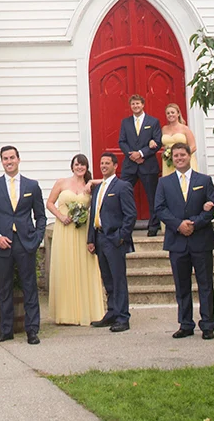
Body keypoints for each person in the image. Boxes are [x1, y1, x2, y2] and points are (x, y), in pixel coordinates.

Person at [153, 143, 214, 340]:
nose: (179, 158)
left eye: (182, 154)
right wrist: (178, 225)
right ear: (171, 158)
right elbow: (160, 208)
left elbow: (212, 207)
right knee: (182, 286)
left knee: (205, 284)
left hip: (201, 240)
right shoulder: (164, 183)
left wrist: (195, 223)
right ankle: (186, 324)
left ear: (189, 156)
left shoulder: (204, 180)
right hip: (177, 241)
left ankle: (207, 324)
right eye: (176, 155)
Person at [0, 145, 47, 344]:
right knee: (4, 288)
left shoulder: (31, 186)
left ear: (18, 159)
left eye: (12, 158)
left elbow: (41, 217)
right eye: (5, 158)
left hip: (25, 243)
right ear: (1, 161)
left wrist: (36, 239)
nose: (8, 161)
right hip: (2, 243)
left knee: (29, 287)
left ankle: (32, 330)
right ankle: (6, 330)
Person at [45, 153, 106, 326]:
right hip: (65, 229)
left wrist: (91, 182)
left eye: (83, 165)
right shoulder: (62, 183)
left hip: (83, 231)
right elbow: (49, 203)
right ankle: (67, 313)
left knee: (84, 266)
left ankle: (87, 310)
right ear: (72, 166)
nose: (79, 167)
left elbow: (109, 184)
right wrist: (61, 216)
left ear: (86, 168)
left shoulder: (91, 186)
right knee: (67, 267)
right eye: (77, 164)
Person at [87, 153, 135, 332]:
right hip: (99, 238)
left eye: (107, 163)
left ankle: (123, 317)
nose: (104, 166)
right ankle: (112, 312)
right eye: (101, 163)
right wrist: (91, 239)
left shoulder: (122, 186)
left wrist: (121, 236)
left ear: (115, 166)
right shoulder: (98, 188)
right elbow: (94, 214)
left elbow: (130, 215)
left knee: (118, 279)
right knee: (107, 278)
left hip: (114, 239)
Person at [118, 95, 163, 236]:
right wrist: (132, 155)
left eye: (138, 103)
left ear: (143, 105)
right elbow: (122, 141)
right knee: (121, 193)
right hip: (130, 165)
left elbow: (157, 142)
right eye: (133, 104)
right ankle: (124, 225)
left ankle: (153, 226)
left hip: (148, 165)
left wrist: (142, 154)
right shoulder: (125, 122)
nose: (136, 106)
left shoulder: (153, 122)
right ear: (130, 106)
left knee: (152, 196)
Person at [158, 103, 199, 176]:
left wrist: (182, 156)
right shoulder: (164, 129)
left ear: (178, 114)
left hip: (183, 160)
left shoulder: (185, 128)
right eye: (168, 113)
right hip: (169, 162)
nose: (170, 115)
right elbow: (159, 144)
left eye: (172, 112)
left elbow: (193, 146)